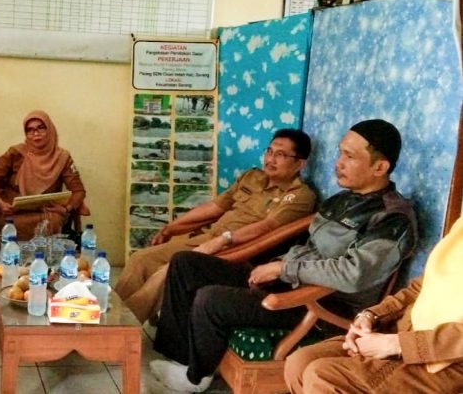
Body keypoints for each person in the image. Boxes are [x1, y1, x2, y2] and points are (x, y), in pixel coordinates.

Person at [149, 119, 418, 393]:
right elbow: (309, 246)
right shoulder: (343, 199)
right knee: (187, 263)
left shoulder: (392, 219)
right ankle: (182, 357)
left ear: (379, 167)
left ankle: (195, 379)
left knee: (211, 299)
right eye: (340, 153)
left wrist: (284, 269)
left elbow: (353, 273)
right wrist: (275, 266)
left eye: (349, 156)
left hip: (321, 303)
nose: (338, 163)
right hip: (290, 280)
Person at [115, 129, 317, 323]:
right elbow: (214, 208)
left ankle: (122, 328)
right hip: (208, 238)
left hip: (235, 250)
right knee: (140, 259)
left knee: (167, 271)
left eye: (280, 155)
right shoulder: (252, 177)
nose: (270, 159)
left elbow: (267, 228)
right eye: (269, 151)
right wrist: (170, 228)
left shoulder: (300, 195)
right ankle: (109, 317)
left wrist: (225, 239)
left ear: (299, 163)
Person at [284, 216, 463, 394]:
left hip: (446, 359)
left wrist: (397, 344)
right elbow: (421, 287)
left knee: (324, 377)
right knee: (299, 363)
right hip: (406, 329)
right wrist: (371, 315)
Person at [0, 110, 87, 239]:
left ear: (50, 130)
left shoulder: (62, 157)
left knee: (53, 222)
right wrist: (0, 203)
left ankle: (39, 252)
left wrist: (67, 208)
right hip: (12, 212)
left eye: (41, 128)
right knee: (8, 225)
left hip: (45, 212)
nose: (36, 134)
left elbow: (78, 191)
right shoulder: (15, 152)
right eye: (30, 130)